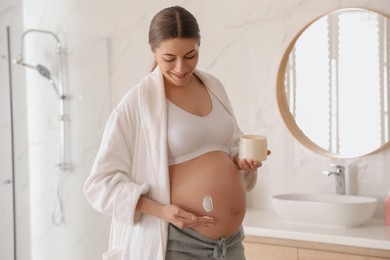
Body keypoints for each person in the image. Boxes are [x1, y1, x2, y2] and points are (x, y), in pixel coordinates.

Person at [84, 5, 269, 260]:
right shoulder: (137, 103)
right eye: (169, 58)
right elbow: (99, 184)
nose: (181, 67)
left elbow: (231, 144)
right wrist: (160, 210)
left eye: (191, 55)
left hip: (232, 244)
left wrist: (241, 160)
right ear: (153, 50)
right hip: (178, 244)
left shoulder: (214, 87)